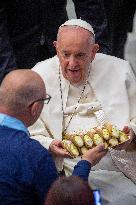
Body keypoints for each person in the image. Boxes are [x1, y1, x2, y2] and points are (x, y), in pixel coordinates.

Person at [29, 18, 136, 205]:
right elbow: (27, 130)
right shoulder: (39, 74)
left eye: (80, 55)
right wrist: (49, 145)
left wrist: (131, 134)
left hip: (115, 165)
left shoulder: (120, 70)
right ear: (55, 47)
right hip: (64, 167)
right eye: (66, 54)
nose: (72, 64)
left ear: (94, 51)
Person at [0, 69, 107, 205]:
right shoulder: (35, 155)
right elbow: (64, 201)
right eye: (45, 100)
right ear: (35, 107)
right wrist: (85, 163)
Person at [0, 0, 110, 84]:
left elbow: (89, 6)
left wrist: (97, 56)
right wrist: (9, 75)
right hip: (13, 49)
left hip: (57, 45)